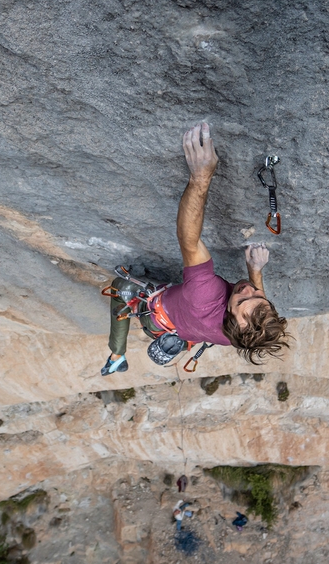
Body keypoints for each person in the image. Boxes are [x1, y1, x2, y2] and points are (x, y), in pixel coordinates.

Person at [102, 122, 291, 375]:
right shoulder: (244, 335)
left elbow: (188, 240)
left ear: (230, 316)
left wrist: (201, 177)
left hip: (158, 318)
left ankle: (116, 355)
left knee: (121, 286)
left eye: (242, 299)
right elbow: (252, 305)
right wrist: (255, 270)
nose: (249, 290)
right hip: (187, 332)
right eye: (259, 297)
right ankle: (118, 357)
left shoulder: (207, 296)